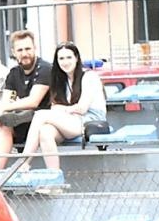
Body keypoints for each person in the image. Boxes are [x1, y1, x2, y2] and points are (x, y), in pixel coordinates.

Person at [14, 43, 108, 174]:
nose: (65, 62)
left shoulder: (89, 77)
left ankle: (23, 162)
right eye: (61, 59)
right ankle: (54, 178)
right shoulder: (62, 80)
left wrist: (62, 110)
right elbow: (55, 106)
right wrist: (65, 110)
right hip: (71, 119)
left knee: (41, 115)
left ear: (76, 58)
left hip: (90, 121)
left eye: (69, 57)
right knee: (45, 131)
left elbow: (82, 108)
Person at [0, 30, 54, 170]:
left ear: (35, 48)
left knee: (28, 113)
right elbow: (7, 99)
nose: (24, 53)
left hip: (42, 119)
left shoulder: (45, 69)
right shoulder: (13, 73)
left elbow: (33, 101)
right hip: (22, 120)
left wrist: (4, 108)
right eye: (20, 50)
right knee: (4, 123)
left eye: (28, 48)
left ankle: (21, 165)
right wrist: (0, 112)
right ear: (14, 52)